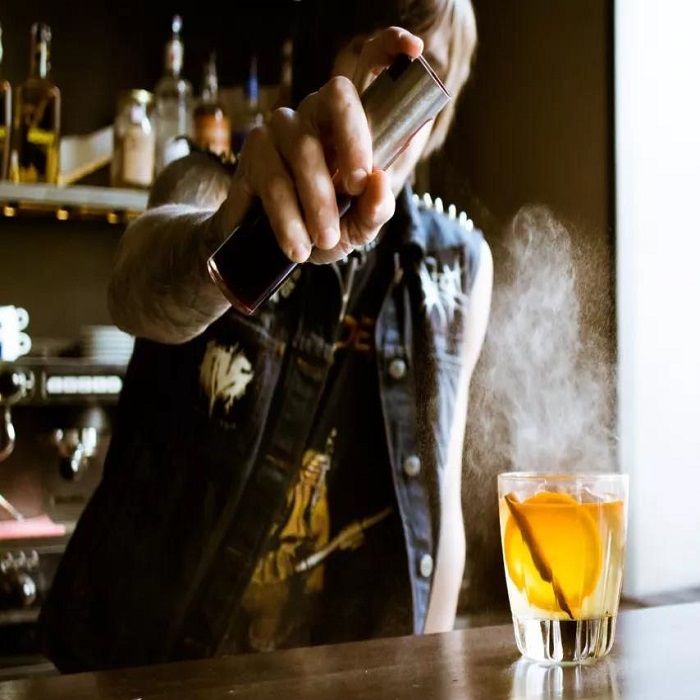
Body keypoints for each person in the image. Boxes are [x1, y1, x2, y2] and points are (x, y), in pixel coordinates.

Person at [38, 0, 493, 672]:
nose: (403, 98)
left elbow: (441, 506)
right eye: (392, 63)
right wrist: (222, 237)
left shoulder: (460, 263)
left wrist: (433, 676)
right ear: (337, 57)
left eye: (432, 77)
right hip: (149, 678)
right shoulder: (217, 181)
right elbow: (135, 288)